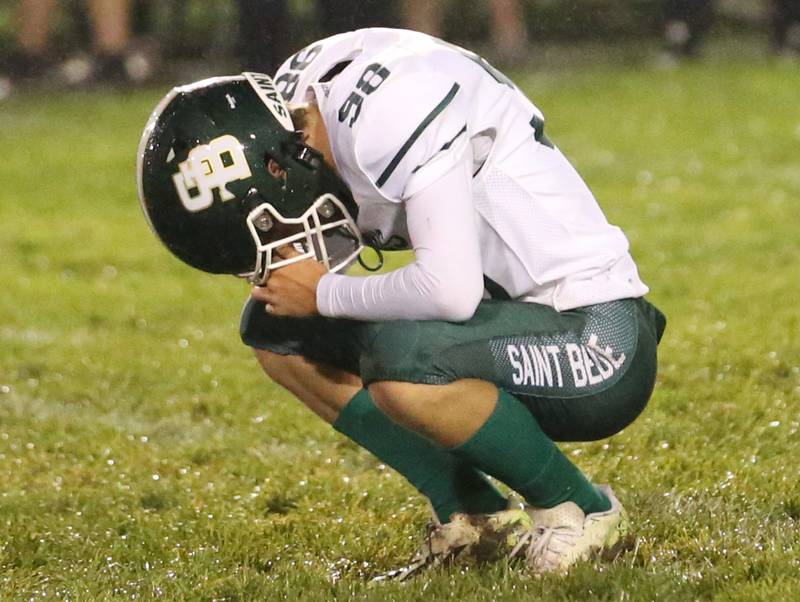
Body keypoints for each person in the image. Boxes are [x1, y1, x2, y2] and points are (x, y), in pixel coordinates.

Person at [137, 28, 666, 578]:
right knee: (279, 331)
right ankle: (475, 517)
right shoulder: (305, 106)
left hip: (597, 337)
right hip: (508, 319)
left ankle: (583, 509)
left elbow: (449, 289)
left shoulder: (386, 110)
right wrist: (313, 297)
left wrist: (322, 292)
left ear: (276, 163)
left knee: (405, 358)